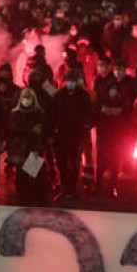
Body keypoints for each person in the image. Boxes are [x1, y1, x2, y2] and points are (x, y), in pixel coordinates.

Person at [53, 70, 92, 200]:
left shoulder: (83, 96)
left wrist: (85, 127)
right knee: (61, 163)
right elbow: (52, 114)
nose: (70, 83)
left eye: (73, 81)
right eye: (68, 81)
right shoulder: (59, 96)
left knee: (75, 163)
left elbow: (89, 114)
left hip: (76, 134)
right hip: (61, 134)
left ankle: (73, 190)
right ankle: (65, 189)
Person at [8, 88, 47, 205]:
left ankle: (33, 200)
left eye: (28, 97)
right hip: (20, 148)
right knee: (21, 176)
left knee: (34, 177)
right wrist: (31, 130)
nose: (26, 100)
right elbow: (13, 130)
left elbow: (40, 130)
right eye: (24, 97)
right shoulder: (14, 113)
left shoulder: (38, 113)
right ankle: (23, 200)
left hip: (34, 147)